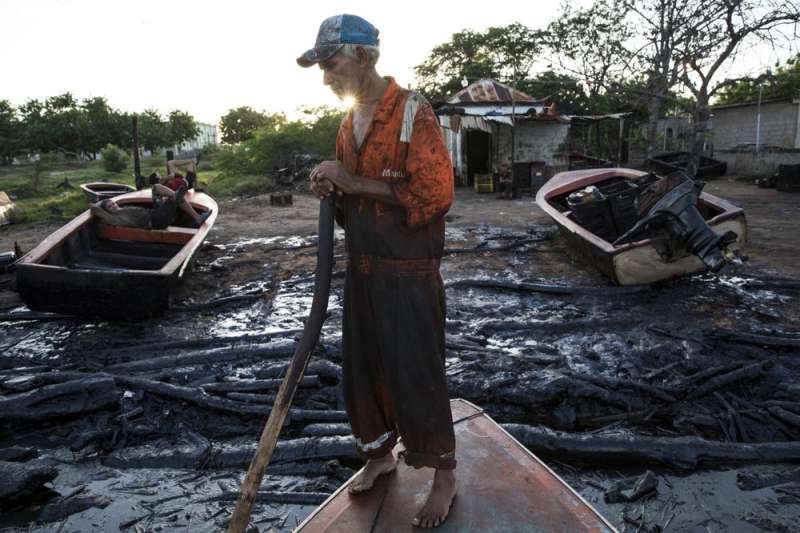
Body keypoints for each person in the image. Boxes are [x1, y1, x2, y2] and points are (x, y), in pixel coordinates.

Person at [299, 14, 456, 529]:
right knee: (363, 373)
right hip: (362, 269)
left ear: (363, 57)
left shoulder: (414, 112)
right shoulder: (348, 123)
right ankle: (379, 456)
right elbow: (353, 204)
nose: (326, 77)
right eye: (321, 67)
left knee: (417, 373)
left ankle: (444, 477)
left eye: (331, 63)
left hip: (409, 272)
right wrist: (334, 189)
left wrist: (353, 181)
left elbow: (434, 195)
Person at [91, 185, 211, 229]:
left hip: (155, 212)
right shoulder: (114, 218)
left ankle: (176, 196)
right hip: (157, 221)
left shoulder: (122, 208)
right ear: (107, 211)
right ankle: (197, 217)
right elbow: (93, 207)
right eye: (110, 207)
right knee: (174, 199)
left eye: (113, 203)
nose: (114, 205)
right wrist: (99, 205)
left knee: (156, 187)